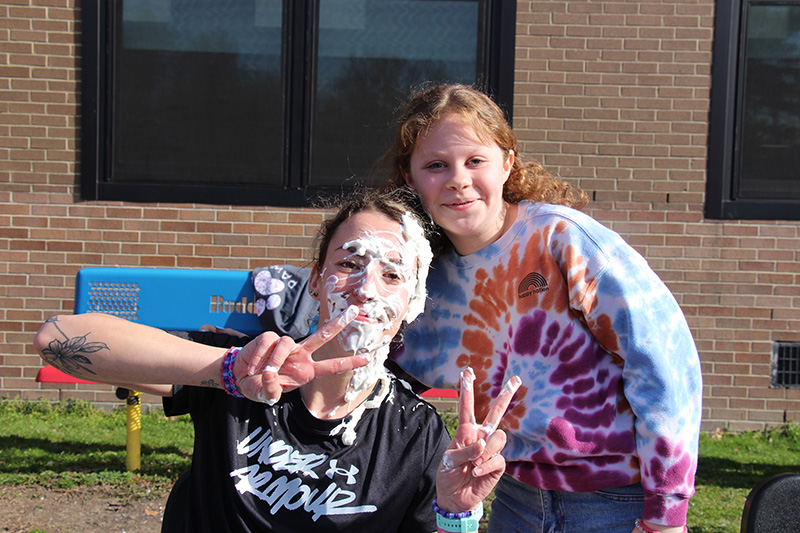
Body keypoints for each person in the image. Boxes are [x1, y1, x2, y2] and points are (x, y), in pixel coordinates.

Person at [33, 188, 521, 533]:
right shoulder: (249, 366)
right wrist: (225, 372)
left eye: (392, 274)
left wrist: (455, 513)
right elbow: (56, 338)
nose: (365, 288)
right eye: (349, 263)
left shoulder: (415, 434)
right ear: (315, 280)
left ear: (414, 301)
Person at [370, 84, 703, 533]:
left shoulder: (564, 242)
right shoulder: (426, 273)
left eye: (475, 161)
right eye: (435, 165)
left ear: (507, 163)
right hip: (514, 497)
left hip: (617, 501)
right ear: (410, 179)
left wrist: (667, 512)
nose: (458, 179)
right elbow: (382, 369)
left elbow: (665, 366)